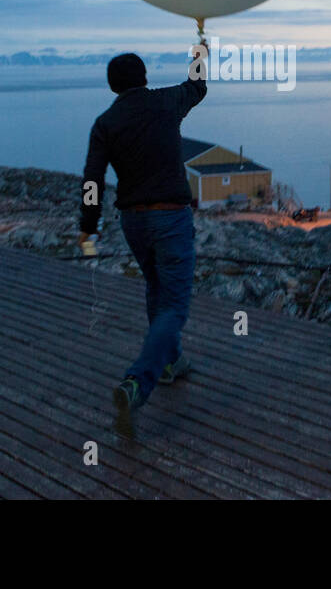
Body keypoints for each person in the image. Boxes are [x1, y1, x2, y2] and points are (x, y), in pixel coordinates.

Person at [79, 49, 208, 420]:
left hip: (133, 222)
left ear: (112, 85)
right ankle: (138, 381)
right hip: (171, 218)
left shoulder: (105, 123)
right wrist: (199, 55)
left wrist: (88, 226)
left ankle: (171, 362)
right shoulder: (166, 102)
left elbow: (92, 180)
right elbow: (197, 87)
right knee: (174, 306)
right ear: (145, 76)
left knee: (156, 288)